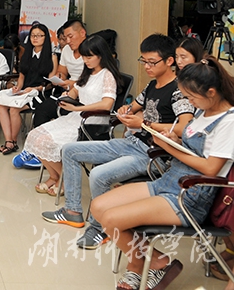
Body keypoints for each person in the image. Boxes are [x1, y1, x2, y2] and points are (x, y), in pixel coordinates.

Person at [92, 56, 234, 290]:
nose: (190, 103)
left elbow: (211, 168)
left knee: (111, 219)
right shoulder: (204, 111)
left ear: (211, 92)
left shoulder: (228, 121)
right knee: (98, 207)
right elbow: (191, 145)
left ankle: (141, 266)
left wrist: (170, 148)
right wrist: (173, 140)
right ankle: (154, 262)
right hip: (169, 181)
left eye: (191, 98)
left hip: (189, 195)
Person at [43, 33, 195, 251]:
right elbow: (132, 108)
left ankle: (100, 227)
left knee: (98, 174)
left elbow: (185, 128)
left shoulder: (178, 91)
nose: (147, 67)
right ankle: (73, 211)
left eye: (152, 62)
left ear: (169, 61)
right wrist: (126, 111)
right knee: (69, 150)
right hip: (132, 143)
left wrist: (145, 123)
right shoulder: (152, 86)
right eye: (144, 61)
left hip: (153, 154)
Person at [14, 36, 121, 197]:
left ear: (101, 55)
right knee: (34, 135)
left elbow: (107, 104)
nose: (85, 60)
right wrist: (68, 96)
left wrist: (77, 107)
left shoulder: (107, 76)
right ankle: (55, 176)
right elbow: (76, 90)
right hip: (77, 117)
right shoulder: (89, 72)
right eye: (84, 57)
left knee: (47, 141)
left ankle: (64, 179)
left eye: (89, 57)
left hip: (92, 122)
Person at [0, 22, 57, 155]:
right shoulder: (26, 55)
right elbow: (22, 76)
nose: (35, 38)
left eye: (39, 35)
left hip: (40, 93)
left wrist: (36, 88)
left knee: (14, 109)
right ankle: (8, 140)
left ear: (46, 37)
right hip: (24, 91)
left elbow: (51, 83)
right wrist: (18, 87)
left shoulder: (52, 57)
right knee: (1, 104)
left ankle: (13, 142)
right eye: (33, 35)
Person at [30, 19, 87, 129]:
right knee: (41, 111)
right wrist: (60, 78)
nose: (68, 41)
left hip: (85, 93)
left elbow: (94, 78)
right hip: (68, 92)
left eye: (71, 36)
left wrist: (73, 83)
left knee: (66, 116)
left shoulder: (92, 51)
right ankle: (44, 138)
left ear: (82, 33)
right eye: (65, 38)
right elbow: (62, 71)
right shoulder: (66, 50)